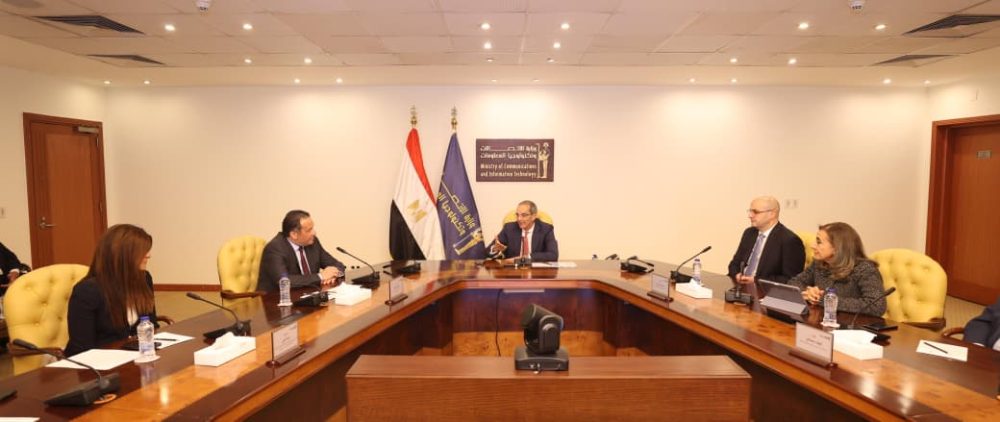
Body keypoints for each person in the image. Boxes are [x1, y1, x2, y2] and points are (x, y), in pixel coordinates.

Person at [66, 224, 159, 356]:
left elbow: (151, 324)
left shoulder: (143, 278)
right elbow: (81, 349)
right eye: (143, 251)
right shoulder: (87, 291)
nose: (148, 255)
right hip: (101, 362)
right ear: (123, 255)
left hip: (136, 355)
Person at [788, 222, 886, 316]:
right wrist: (808, 292)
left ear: (837, 248)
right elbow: (794, 282)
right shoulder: (819, 263)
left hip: (852, 324)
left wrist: (827, 299)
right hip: (821, 319)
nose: (813, 246)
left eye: (819, 242)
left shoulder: (865, 269)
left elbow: (876, 306)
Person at [258, 210, 345, 292]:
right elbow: (284, 281)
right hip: (275, 298)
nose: (314, 233)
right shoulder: (275, 248)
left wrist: (333, 274)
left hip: (308, 294)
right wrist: (320, 276)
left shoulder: (312, 242)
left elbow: (337, 264)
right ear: (294, 234)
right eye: (309, 230)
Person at [727, 196, 805, 285]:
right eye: (750, 211)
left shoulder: (789, 240)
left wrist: (756, 280)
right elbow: (734, 264)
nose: (750, 215)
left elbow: (791, 279)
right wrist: (737, 274)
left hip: (765, 289)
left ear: (772, 214)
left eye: (755, 212)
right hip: (740, 285)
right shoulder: (749, 233)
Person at [490, 200, 558, 262]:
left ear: (533, 216)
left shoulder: (546, 229)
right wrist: (495, 249)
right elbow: (487, 252)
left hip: (536, 269)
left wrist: (526, 258)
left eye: (524, 215)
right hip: (513, 269)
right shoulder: (509, 228)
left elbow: (553, 255)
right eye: (517, 215)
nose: (519, 219)